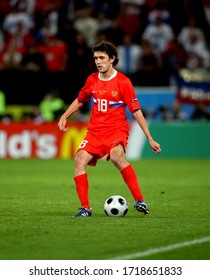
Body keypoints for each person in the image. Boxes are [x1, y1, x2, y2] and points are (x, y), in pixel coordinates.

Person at [58, 41, 161, 217]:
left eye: (102, 58)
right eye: (96, 58)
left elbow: (136, 112)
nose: (98, 62)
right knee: (79, 160)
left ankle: (140, 200)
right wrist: (65, 115)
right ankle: (86, 209)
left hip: (116, 129)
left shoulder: (123, 82)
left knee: (116, 156)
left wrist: (150, 138)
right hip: (95, 131)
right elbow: (81, 100)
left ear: (112, 59)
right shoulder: (92, 79)